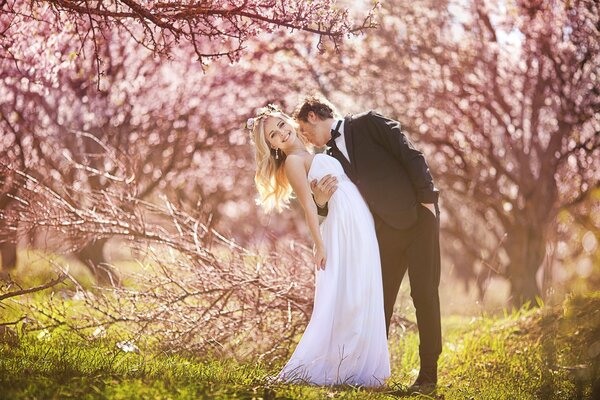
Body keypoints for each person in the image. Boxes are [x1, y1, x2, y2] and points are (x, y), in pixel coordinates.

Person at [294, 95, 442, 394]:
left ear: (312, 116)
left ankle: (428, 377)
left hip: (418, 220)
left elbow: (410, 154)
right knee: (378, 301)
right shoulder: (329, 159)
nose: (305, 138)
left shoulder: (368, 122)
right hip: (382, 235)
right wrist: (320, 204)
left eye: (303, 129)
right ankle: (365, 372)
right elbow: (333, 204)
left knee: (424, 295)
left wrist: (428, 202)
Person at [248, 104, 390, 387]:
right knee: (348, 294)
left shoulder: (314, 151)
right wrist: (319, 244)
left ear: (289, 120)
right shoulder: (293, 162)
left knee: (365, 287)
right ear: (273, 147)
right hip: (339, 229)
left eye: (281, 126)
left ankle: (361, 367)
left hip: (360, 222)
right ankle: (340, 365)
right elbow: (309, 207)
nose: (282, 133)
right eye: (274, 136)